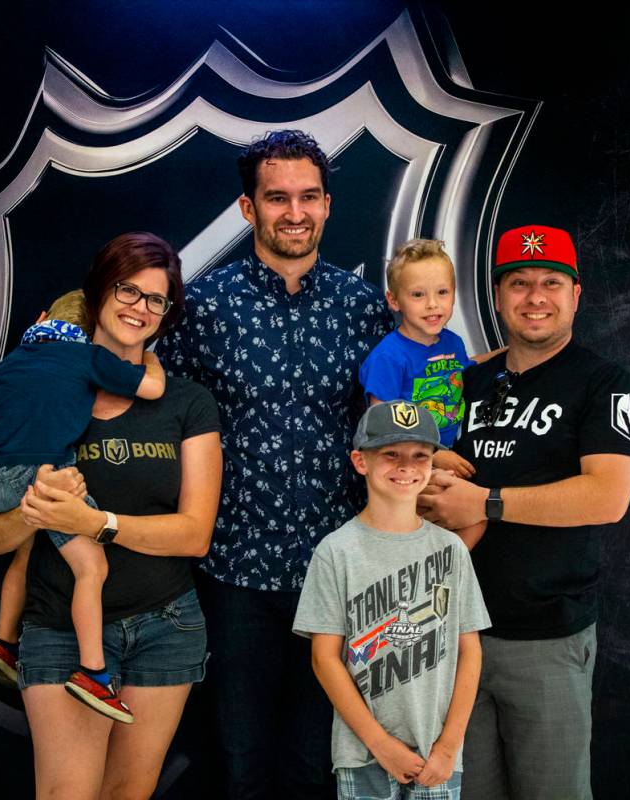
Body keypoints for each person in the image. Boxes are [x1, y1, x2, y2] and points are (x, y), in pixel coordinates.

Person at [157, 130, 393, 799]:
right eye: (276, 197)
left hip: (338, 575)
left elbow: (398, 420)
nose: (294, 211)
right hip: (234, 573)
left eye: (308, 196)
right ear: (246, 207)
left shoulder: (364, 308)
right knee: (239, 761)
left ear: (327, 206)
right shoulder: (203, 307)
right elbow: (156, 416)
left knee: (317, 761)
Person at [0, 232, 223, 800]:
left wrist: (98, 524)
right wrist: (37, 509)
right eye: (128, 290)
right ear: (98, 294)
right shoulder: (45, 389)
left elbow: (194, 534)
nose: (139, 307)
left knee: (128, 794)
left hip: (168, 626)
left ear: (167, 315)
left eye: (156, 300)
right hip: (61, 629)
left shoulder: (186, 402)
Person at [417, 224, 630, 800]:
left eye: (551, 282)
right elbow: (414, 472)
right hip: (456, 632)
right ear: (497, 296)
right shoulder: (467, 381)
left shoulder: (604, 383)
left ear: (576, 294)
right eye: (518, 283)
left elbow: (607, 497)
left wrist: (485, 503)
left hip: (545, 635)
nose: (535, 297)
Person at [0, 289, 166, 726]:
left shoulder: (13, 359)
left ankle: (3, 642)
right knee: (92, 567)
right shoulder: (87, 358)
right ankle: (94, 673)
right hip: (46, 473)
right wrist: (152, 361)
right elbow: (153, 388)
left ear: (42, 315)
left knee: (28, 551)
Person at [293, 401, 490, 800]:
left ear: (434, 464)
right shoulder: (336, 551)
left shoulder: (451, 550)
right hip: (363, 752)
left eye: (420, 456)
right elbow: (324, 658)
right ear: (360, 461)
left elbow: (470, 651)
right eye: (390, 454)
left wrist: (449, 746)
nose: (406, 466)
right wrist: (381, 745)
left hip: (437, 753)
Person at [358, 238, 498, 550]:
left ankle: (441, 575)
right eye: (418, 295)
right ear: (394, 301)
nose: (432, 304)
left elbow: (467, 369)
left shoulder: (452, 343)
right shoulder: (389, 357)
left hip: (453, 456)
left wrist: (508, 352)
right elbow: (381, 429)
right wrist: (433, 456)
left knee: (476, 516)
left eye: (442, 293)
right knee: (471, 519)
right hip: (408, 465)